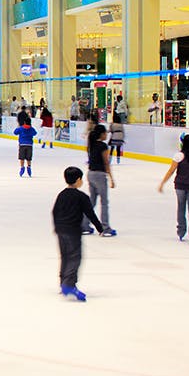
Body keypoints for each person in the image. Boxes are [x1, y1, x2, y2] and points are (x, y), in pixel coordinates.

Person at [52, 166, 105, 301]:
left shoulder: (61, 195)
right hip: (73, 231)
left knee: (65, 256)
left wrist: (57, 226)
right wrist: (100, 228)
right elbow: (90, 214)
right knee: (75, 257)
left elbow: (55, 211)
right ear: (78, 180)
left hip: (61, 230)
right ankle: (69, 285)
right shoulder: (82, 197)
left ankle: (63, 282)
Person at [158, 134, 189, 244]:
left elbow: (171, 171)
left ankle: (181, 231)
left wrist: (162, 183)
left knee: (181, 208)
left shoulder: (179, 156)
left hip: (180, 185)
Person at [83, 124, 117, 237]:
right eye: (105, 133)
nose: (106, 135)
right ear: (101, 134)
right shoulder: (103, 146)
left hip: (91, 174)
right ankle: (105, 227)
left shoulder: (91, 144)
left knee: (92, 201)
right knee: (104, 202)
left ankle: (84, 225)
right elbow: (106, 163)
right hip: (99, 175)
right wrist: (111, 178)